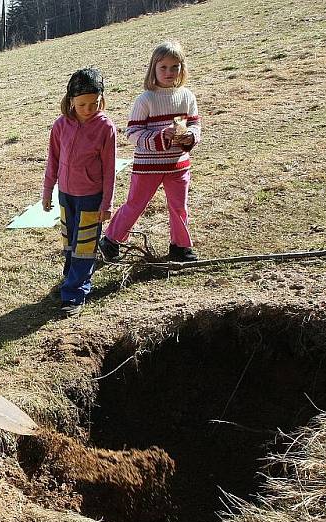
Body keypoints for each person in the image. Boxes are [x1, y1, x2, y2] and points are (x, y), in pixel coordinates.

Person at [99, 40, 201, 263]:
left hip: (178, 164)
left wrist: (190, 136)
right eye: (163, 67)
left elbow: (195, 125)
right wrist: (159, 137)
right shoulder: (145, 100)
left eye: (175, 67)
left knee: (179, 207)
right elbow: (133, 133)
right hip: (148, 166)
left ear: (182, 68)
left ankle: (180, 247)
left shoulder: (187, 97)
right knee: (135, 204)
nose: (169, 72)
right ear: (153, 68)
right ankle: (111, 240)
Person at [42, 67, 116, 317]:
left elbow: (109, 168)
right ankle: (70, 277)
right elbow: (52, 160)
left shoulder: (105, 128)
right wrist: (47, 191)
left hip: (91, 197)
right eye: (82, 104)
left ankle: (75, 293)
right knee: (69, 241)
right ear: (70, 100)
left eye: (94, 103)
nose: (88, 109)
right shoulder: (60, 125)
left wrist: (106, 204)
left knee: (84, 245)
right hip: (66, 195)